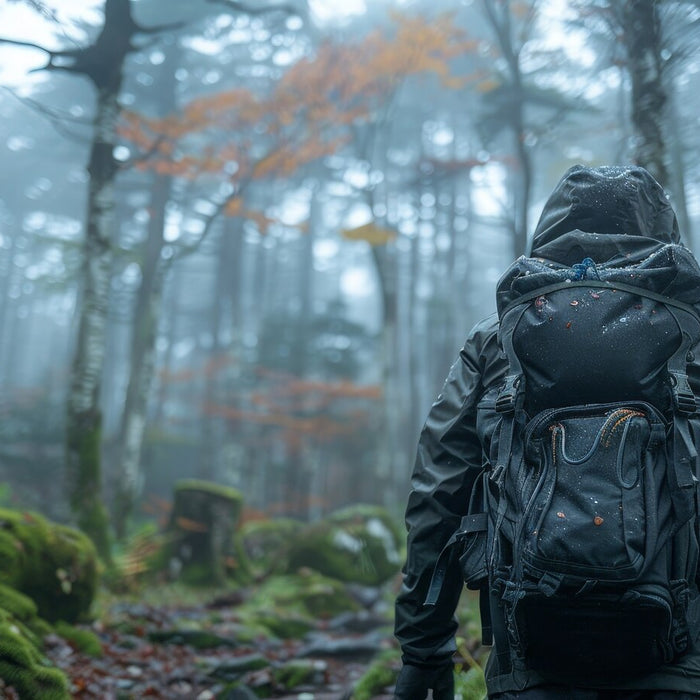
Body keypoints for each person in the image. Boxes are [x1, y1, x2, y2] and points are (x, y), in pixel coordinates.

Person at [393, 165, 700, 699]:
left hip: (530, 646)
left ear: (549, 230)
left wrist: (424, 650)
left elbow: (436, 493)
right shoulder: (691, 336)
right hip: (683, 655)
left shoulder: (498, 339)